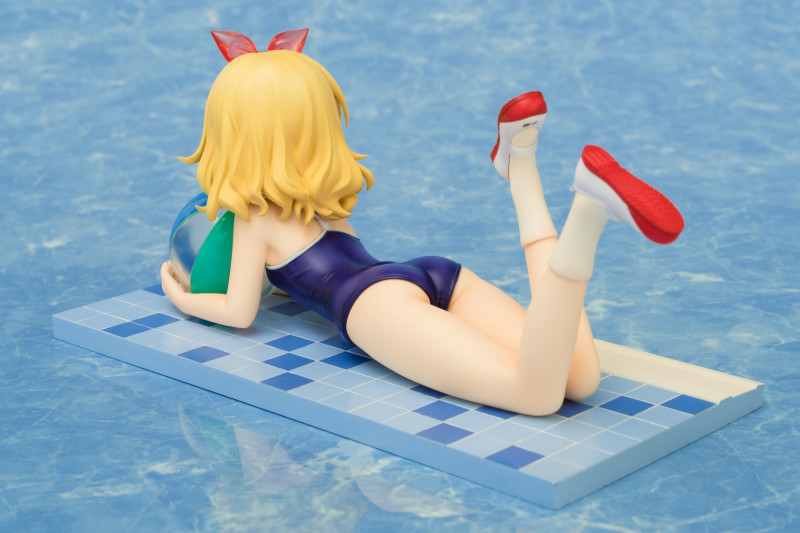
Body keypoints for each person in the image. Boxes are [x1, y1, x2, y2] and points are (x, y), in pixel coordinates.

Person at [160, 29, 684, 416]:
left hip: (374, 307)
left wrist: (180, 295)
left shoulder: (252, 219)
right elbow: (304, 266)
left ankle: (587, 213)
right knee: (581, 380)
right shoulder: (324, 199)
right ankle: (521, 167)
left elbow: (238, 312)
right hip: (432, 274)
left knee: (537, 395)